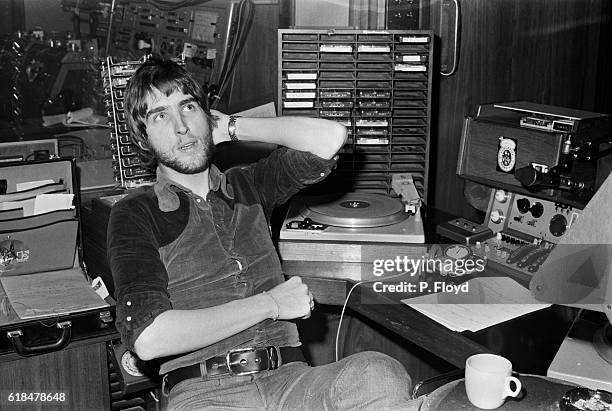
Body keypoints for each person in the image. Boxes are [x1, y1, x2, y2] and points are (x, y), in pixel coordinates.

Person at [108, 58, 420, 410]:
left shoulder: (249, 184)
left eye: (188, 107)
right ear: (144, 138)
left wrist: (235, 128)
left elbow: (330, 138)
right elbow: (150, 339)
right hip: (204, 392)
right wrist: (270, 305)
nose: (181, 127)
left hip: (290, 380)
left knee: (379, 373)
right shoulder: (135, 213)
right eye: (160, 115)